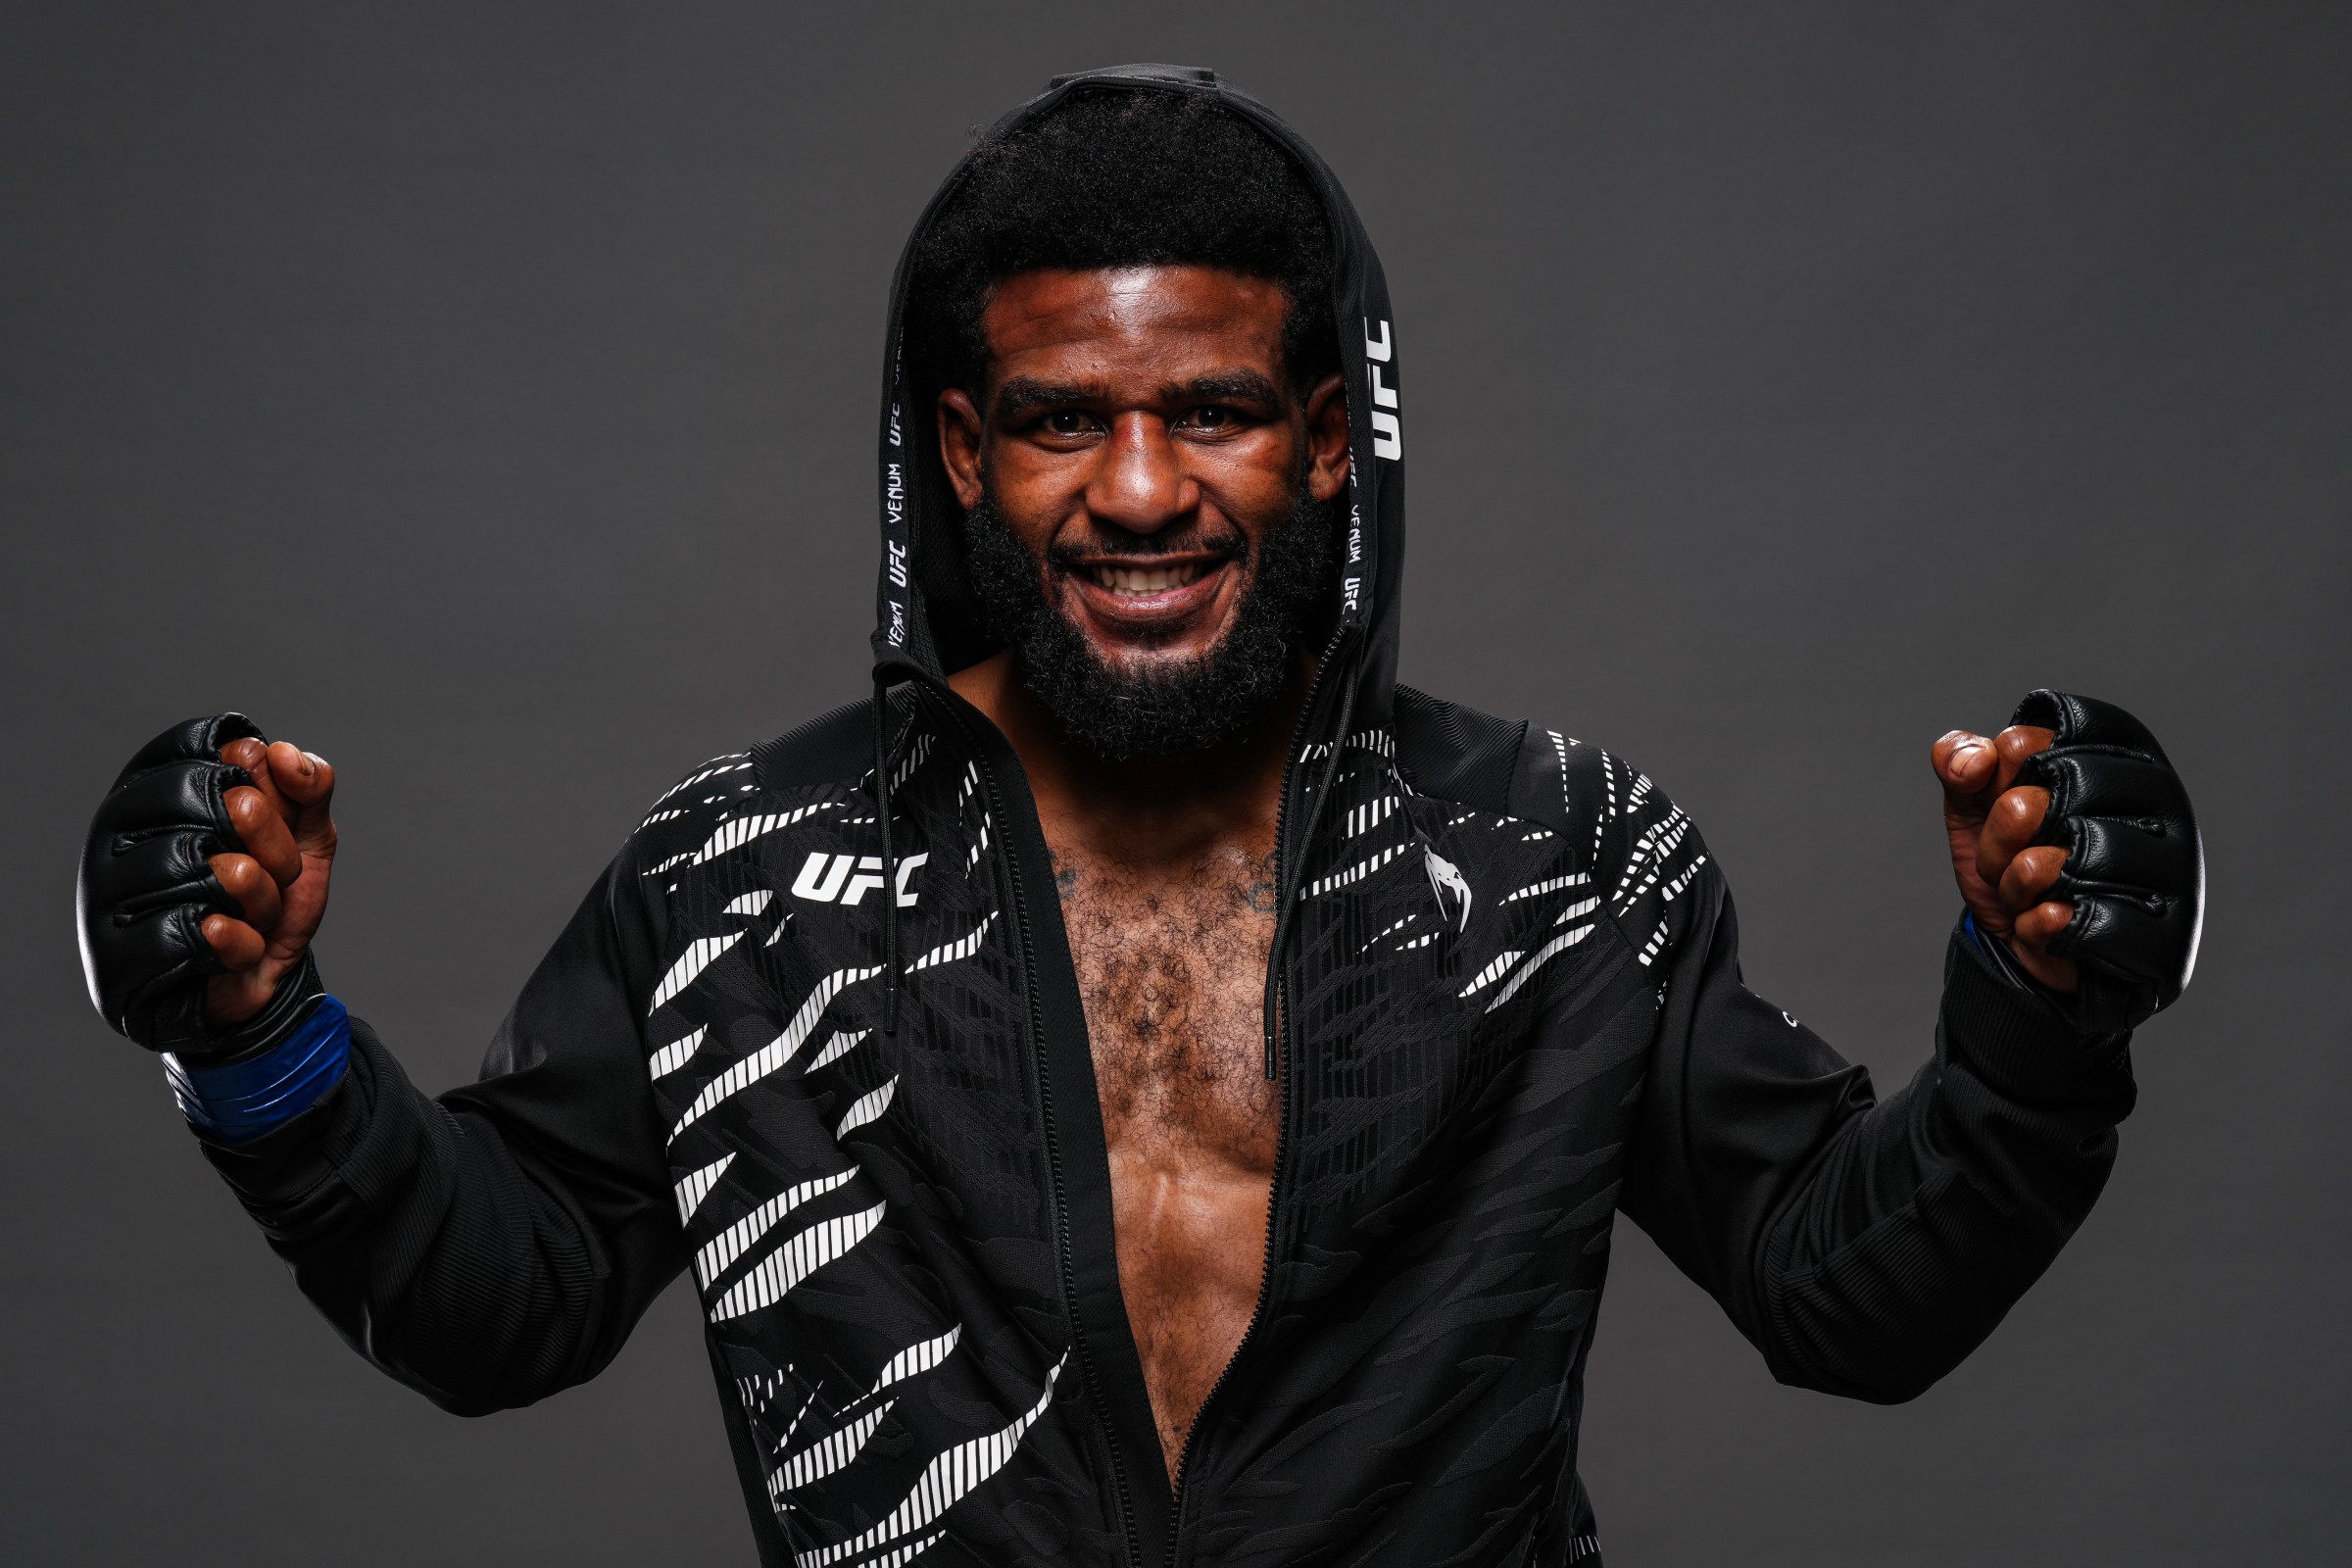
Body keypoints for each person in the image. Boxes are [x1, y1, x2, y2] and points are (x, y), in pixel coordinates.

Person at [74, 65, 2203, 1568]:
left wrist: (2044, 1015)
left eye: (1215, 412)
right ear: (961, 455)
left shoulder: (1564, 861)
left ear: (1331, 440)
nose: (1143, 490)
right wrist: (255, 1042)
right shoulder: (737, 882)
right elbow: (501, 1302)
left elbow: (1844, 1288)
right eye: (1061, 422)